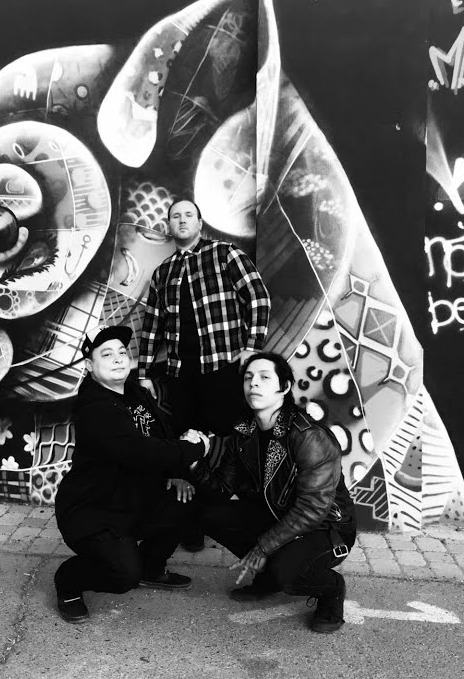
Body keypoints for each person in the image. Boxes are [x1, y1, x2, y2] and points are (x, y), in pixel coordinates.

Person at [136, 198, 272, 551]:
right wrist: (145, 372)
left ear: (200, 222)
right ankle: (191, 521)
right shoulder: (163, 272)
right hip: (182, 376)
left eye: (188, 215)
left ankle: (248, 521)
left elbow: (257, 297)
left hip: (223, 370)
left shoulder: (225, 254)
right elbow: (152, 325)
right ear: (169, 226)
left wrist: (252, 346)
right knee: (189, 448)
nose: (182, 220)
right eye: (175, 216)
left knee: (237, 442)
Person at [53, 324, 211, 624]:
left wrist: (176, 472)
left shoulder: (135, 393)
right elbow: (140, 451)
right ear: (89, 365)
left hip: (133, 500)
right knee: (123, 576)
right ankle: (68, 580)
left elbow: (161, 434)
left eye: (122, 352)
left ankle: (152, 568)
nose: (117, 359)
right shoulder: (94, 408)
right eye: (106, 354)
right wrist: (194, 449)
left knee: (187, 497)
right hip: (93, 512)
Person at [193, 351, 357, 634]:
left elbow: (312, 510)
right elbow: (221, 490)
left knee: (288, 575)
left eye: (264, 377)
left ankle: (331, 589)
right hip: (278, 515)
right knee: (209, 514)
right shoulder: (244, 432)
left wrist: (263, 547)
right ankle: (270, 575)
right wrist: (195, 463)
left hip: (327, 527)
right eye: (248, 378)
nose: (253, 383)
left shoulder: (308, 436)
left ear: (284, 387)